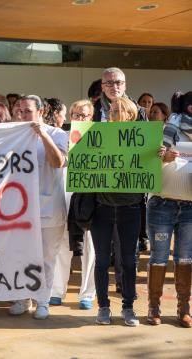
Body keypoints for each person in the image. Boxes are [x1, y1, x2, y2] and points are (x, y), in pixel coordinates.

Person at [8, 95, 68, 320]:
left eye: (28, 111)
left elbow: (57, 162)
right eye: (20, 111)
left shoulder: (58, 134)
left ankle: (43, 300)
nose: (23, 115)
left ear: (41, 112)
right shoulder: (13, 135)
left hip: (49, 206)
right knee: (21, 254)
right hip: (19, 208)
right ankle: (23, 298)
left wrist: (42, 134)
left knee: (46, 257)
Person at [91, 96, 143, 327]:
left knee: (129, 261)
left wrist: (159, 156)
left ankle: (128, 308)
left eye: (119, 110)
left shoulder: (142, 138)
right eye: (112, 109)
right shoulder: (96, 134)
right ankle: (103, 307)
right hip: (102, 208)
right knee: (102, 260)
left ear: (130, 113)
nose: (114, 113)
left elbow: (150, 172)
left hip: (130, 208)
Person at [148, 91, 192, 327]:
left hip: (190, 209)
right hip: (161, 204)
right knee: (158, 258)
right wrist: (163, 159)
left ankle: (184, 309)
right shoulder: (160, 130)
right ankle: (153, 308)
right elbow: (143, 162)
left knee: (186, 258)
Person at [52, 100, 96, 310]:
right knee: (62, 245)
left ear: (92, 118)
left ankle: (87, 294)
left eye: (84, 115)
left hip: (90, 200)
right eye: (76, 115)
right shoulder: (63, 138)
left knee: (90, 247)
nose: (80, 118)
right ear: (71, 117)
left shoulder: (101, 139)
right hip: (65, 196)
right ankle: (56, 291)